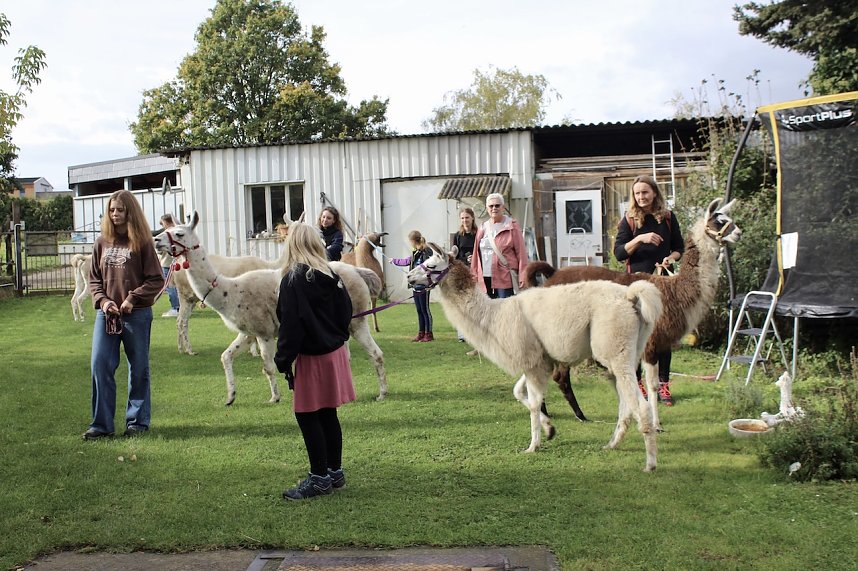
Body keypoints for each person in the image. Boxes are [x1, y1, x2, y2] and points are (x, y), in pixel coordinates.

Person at [274, 222, 356, 500]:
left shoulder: (294, 279)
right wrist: (335, 334)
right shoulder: (331, 275)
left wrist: (283, 359)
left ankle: (320, 477)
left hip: (313, 355)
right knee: (327, 412)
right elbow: (346, 312)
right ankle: (334, 471)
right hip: (334, 352)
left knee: (308, 414)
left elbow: (291, 324)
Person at [83, 190, 165, 440]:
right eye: (111, 210)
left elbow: (156, 280)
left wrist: (132, 298)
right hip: (107, 316)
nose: (115, 214)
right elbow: (94, 279)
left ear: (130, 212)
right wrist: (104, 301)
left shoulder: (142, 242)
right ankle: (101, 425)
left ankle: (137, 423)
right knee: (100, 365)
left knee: (138, 369)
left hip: (136, 315)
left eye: (120, 210)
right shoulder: (101, 242)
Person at [614, 174, 685, 406]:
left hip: (663, 284)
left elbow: (679, 248)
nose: (641, 197)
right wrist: (640, 239)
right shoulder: (629, 220)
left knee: (663, 335)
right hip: (637, 286)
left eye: (645, 192)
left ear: (654, 193)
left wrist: (670, 258)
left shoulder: (668, 218)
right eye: (637, 193)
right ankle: (639, 384)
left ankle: (663, 384)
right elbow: (619, 253)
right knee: (636, 335)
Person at [471, 193, 528, 299]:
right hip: (485, 278)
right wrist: (474, 275)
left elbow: (521, 253)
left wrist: (523, 275)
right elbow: (476, 254)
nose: (494, 208)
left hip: (504, 277)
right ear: (487, 209)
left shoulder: (512, 226)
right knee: (487, 308)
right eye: (491, 206)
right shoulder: (482, 227)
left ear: (503, 207)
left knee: (505, 307)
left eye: (497, 205)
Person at [389, 230, 434, 342]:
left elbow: (430, 266)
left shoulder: (426, 252)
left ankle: (429, 334)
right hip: (415, 287)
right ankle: (421, 333)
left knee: (425, 310)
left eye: (410, 242)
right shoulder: (415, 253)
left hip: (424, 286)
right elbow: (406, 261)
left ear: (413, 241)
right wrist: (394, 261)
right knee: (419, 310)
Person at [451, 207, 478, 342]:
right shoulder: (457, 236)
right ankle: (462, 333)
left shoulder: (478, 233)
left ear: (472, 218)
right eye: (462, 218)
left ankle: (476, 332)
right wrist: (464, 259)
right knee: (462, 301)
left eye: (467, 217)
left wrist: (474, 258)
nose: (464, 220)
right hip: (463, 272)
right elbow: (454, 255)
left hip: (477, 271)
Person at [158, 213, 180, 317]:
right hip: (178, 263)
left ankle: (175, 308)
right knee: (179, 286)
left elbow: (159, 249)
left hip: (167, 263)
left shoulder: (166, 234)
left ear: (165, 222)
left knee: (170, 286)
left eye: (162, 223)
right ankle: (181, 307)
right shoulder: (179, 232)